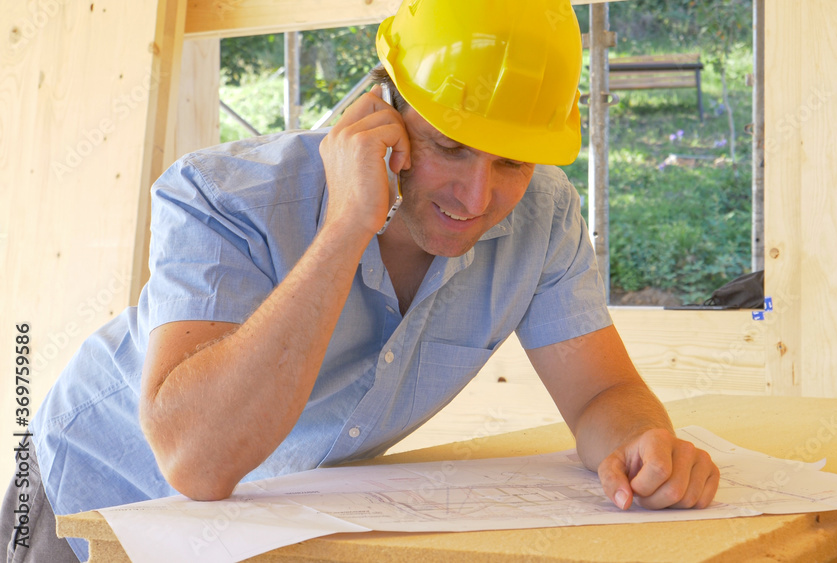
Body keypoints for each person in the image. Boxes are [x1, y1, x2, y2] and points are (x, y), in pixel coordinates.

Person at [2, 1, 719, 561]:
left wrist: (642, 444)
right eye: (449, 146)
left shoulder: (546, 215)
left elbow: (601, 393)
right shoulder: (220, 196)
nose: (476, 197)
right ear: (386, 105)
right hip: (88, 500)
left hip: (255, 522)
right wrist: (346, 224)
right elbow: (195, 459)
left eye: (511, 162)